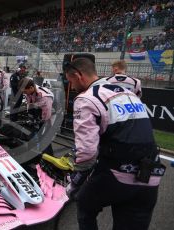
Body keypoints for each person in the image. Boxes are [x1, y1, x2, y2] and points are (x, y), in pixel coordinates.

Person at [64, 57, 165, 230]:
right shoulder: (128, 92)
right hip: (150, 175)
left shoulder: (87, 98)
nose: (71, 86)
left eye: (71, 81)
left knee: (83, 202)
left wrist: (75, 183)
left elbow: (87, 153)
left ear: (79, 75)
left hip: (118, 173)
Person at [18, 77, 54, 155]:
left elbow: (46, 116)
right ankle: (33, 154)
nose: (24, 93)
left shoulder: (45, 97)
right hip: (37, 108)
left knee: (44, 137)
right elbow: (30, 104)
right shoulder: (30, 91)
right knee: (32, 132)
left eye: (25, 91)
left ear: (31, 88)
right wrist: (30, 118)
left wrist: (40, 122)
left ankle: (49, 157)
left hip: (48, 113)